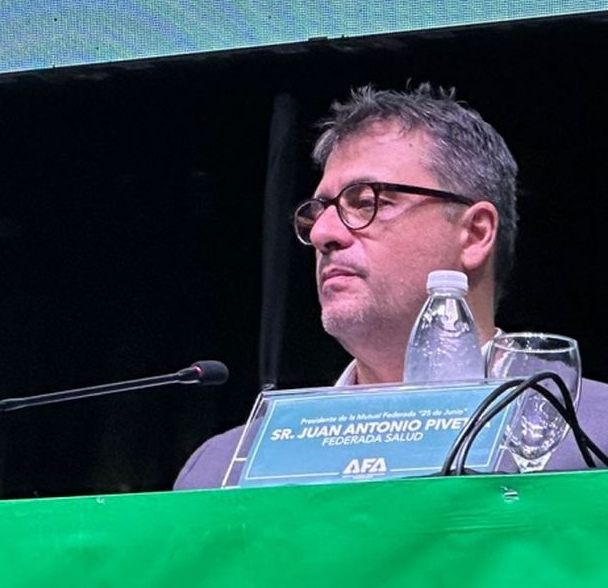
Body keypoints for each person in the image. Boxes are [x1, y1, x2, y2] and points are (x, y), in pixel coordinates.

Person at [176, 85, 608, 489]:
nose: (325, 232)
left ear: (475, 234)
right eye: (319, 210)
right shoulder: (224, 469)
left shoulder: (594, 433)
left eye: (365, 202)